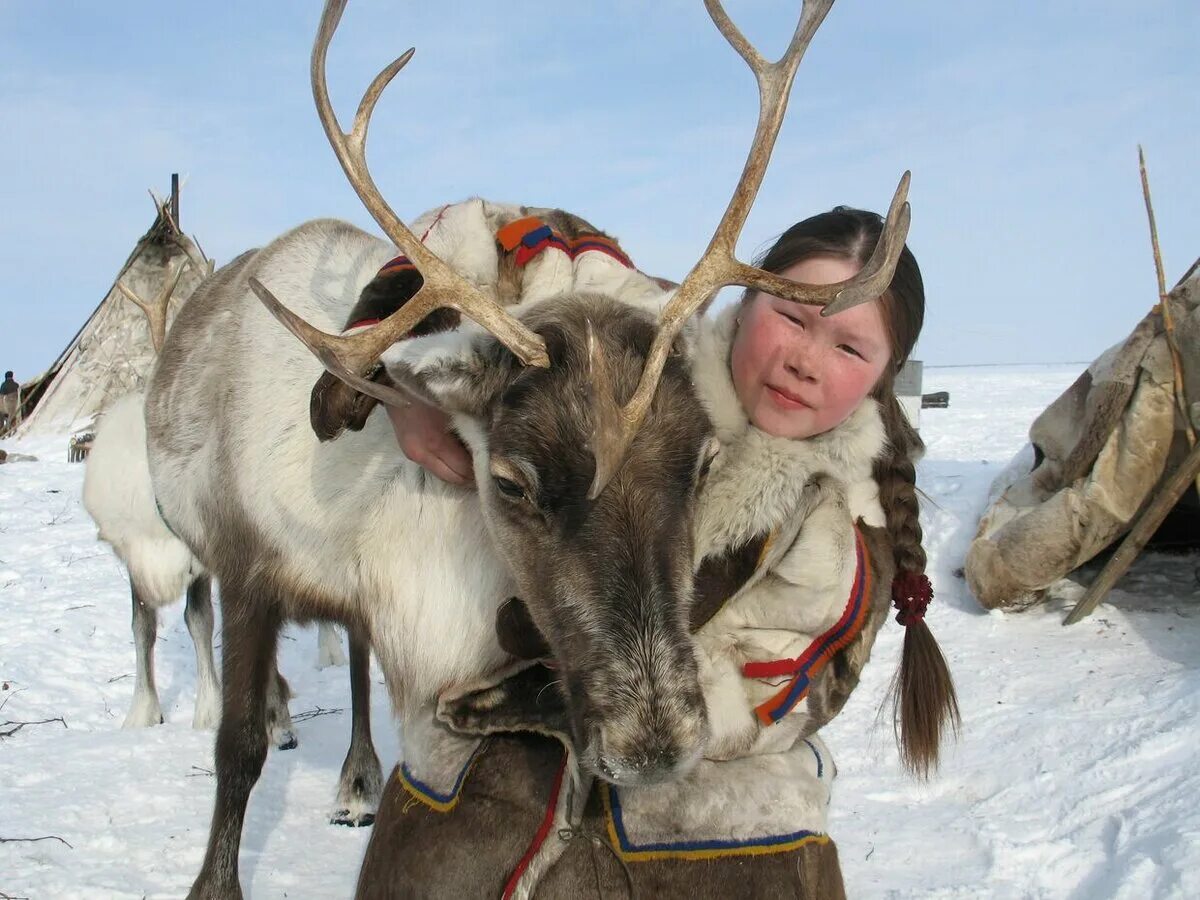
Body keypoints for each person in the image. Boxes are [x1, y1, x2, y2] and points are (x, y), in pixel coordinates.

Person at [345, 202, 959, 898]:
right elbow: (521, 232)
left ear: (883, 374)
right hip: (488, 818)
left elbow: (786, 696)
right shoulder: (644, 343)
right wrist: (394, 370)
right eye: (792, 317)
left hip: (704, 845)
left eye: (849, 348)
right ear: (746, 296)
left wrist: (603, 705)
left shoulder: (853, 528)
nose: (804, 362)